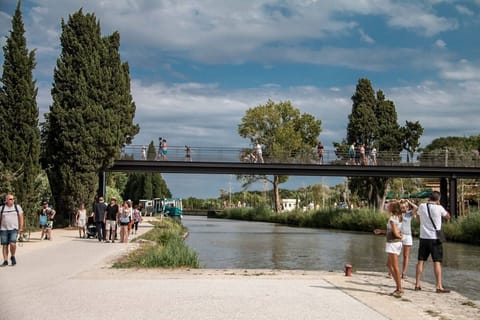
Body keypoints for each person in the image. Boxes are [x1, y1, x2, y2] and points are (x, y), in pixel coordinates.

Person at [415, 191, 451, 293]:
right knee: (437, 261)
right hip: (435, 238)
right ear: (438, 199)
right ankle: (439, 286)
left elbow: (418, 218)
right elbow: (448, 216)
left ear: (429, 198)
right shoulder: (439, 208)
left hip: (423, 237)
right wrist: (440, 205)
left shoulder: (422, 206)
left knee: (421, 261)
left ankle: (417, 284)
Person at [385, 201, 404, 297]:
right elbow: (395, 230)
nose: (387, 206)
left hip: (393, 243)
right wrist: (381, 231)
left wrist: (400, 236)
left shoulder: (392, 219)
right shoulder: (399, 217)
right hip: (396, 243)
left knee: (395, 266)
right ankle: (398, 285)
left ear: (392, 208)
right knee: (389, 265)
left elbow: (396, 233)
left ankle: (399, 288)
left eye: (389, 206)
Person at [0, 194, 24, 266]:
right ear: (6, 200)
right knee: (5, 245)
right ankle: (5, 260)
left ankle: (12, 256)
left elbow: (21, 218)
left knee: (12, 243)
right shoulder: (2, 208)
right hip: (3, 229)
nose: (12, 200)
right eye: (10, 199)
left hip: (14, 229)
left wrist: (21, 228)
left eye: (13, 199)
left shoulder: (17, 207)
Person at [399, 199, 418, 279]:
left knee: (406, 256)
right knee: (396, 254)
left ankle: (404, 273)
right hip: (399, 235)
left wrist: (408, 201)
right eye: (403, 207)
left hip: (408, 236)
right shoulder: (397, 214)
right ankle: (392, 271)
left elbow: (416, 207)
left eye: (406, 207)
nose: (405, 208)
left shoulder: (409, 214)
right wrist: (399, 202)